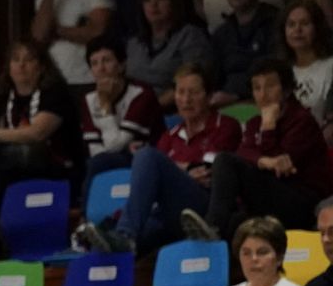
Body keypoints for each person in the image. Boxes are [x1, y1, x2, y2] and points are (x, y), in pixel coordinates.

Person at [78, 63, 240, 252]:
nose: (186, 100)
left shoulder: (226, 126)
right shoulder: (169, 136)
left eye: (193, 93)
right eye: (180, 92)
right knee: (106, 246)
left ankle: (124, 234)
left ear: (209, 96)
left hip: (205, 208)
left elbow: (208, 173)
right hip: (169, 213)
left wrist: (171, 171)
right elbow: (154, 181)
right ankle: (117, 236)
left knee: (146, 155)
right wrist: (185, 170)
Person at [185, 58, 331, 237]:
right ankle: (210, 248)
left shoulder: (302, 120)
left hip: (303, 203)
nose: (263, 94)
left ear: (286, 90)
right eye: (257, 88)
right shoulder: (255, 122)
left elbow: (281, 170)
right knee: (234, 225)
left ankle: (212, 227)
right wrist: (264, 161)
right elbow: (244, 152)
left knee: (224, 160)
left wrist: (268, 127)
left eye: (270, 86)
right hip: (270, 199)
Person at [0, 40, 83, 238]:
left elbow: (35, 133)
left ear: (42, 66)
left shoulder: (55, 93)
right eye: (15, 60)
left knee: (25, 152)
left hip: (54, 163)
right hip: (10, 166)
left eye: (28, 60)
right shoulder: (3, 94)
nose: (21, 65)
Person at [80, 38, 164, 182]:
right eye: (94, 63)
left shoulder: (142, 94)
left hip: (147, 158)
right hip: (108, 159)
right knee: (95, 163)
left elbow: (115, 145)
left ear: (121, 65)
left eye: (106, 60)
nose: (101, 68)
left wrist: (106, 105)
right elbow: (95, 151)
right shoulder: (89, 100)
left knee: (98, 164)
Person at [127, 0, 211, 108]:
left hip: (174, 110)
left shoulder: (190, 35)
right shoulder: (134, 43)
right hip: (133, 111)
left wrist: (152, 108)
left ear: (173, 2)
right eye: (147, 0)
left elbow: (193, 80)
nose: (153, 4)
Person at [210, 0, 283, 103]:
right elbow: (212, 78)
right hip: (223, 104)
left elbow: (275, 73)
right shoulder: (221, 33)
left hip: (263, 103)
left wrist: (237, 96)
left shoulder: (277, 24)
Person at [276, 0, 333, 132]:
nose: (297, 29)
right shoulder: (279, 70)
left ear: (317, 28)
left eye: (305, 23)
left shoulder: (330, 66)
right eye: (291, 24)